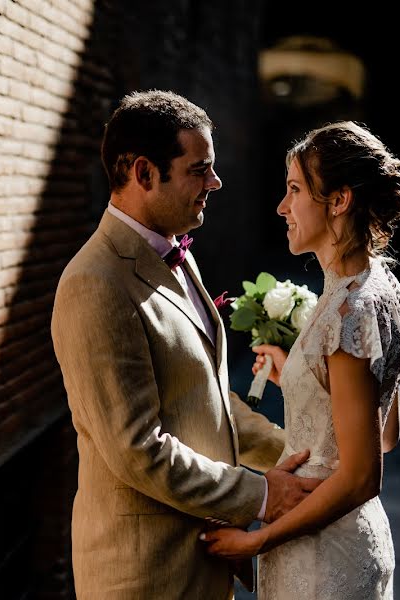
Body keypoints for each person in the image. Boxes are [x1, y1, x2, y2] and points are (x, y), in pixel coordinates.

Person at [50, 89, 321, 599]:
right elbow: (138, 449)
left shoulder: (175, 252)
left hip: (203, 558)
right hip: (146, 573)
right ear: (144, 174)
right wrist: (263, 495)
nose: (215, 183)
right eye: (199, 170)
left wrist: (305, 458)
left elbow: (206, 399)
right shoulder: (96, 282)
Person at [200, 121, 400, 599]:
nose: (282, 207)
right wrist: (298, 380)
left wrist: (256, 539)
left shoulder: (347, 311)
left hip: (322, 556)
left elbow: (363, 476)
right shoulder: (383, 290)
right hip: (352, 543)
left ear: (338, 201)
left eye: (295, 190)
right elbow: (385, 432)